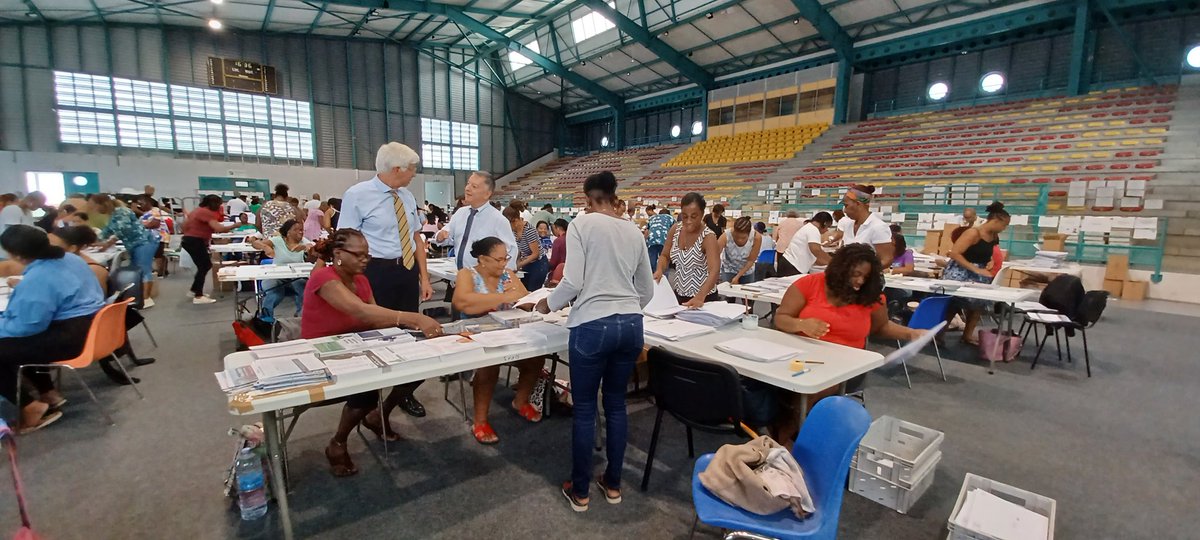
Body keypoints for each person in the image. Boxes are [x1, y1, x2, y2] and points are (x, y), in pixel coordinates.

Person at [533, 170, 654, 512]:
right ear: (614, 196)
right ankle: (613, 485)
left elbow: (572, 281)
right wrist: (625, 308)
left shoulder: (581, 226)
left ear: (587, 199)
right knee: (616, 405)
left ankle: (581, 490)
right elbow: (646, 288)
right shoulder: (632, 230)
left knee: (585, 409)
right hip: (631, 325)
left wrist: (547, 303)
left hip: (591, 326)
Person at [301, 229, 442, 477]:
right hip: (324, 351)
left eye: (368, 255)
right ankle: (338, 442)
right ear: (338, 254)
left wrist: (409, 338)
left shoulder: (362, 280)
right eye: (359, 255)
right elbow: (361, 312)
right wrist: (413, 318)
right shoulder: (324, 278)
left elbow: (376, 318)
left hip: (359, 344)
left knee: (418, 367)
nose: (366, 260)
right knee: (365, 390)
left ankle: (379, 413)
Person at [772, 244, 924, 443]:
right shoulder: (809, 284)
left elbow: (881, 327)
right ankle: (784, 430)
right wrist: (802, 324)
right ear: (840, 269)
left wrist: (911, 333)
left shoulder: (871, 297)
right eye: (855, 274)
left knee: (817, 386)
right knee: (765, 384)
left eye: (865, 277)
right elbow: (781, 318)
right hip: (801, 358)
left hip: (847, 368)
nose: (860, 281)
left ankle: (783, 436)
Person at [338, 142, 435, 418]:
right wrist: (349, 283)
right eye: (412, 169)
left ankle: (403, 393)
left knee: (408, 333)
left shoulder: (405, 196)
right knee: (373, 331)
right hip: (373, 272)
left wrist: (424, 278)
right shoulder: (357, 195)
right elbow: (345, 241)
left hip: (405, 271)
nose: (414, 174)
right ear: (396, 169)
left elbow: (416, 237)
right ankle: (365, 398)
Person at [0, 225, 106, 433]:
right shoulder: (70, 259)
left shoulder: (40, 277)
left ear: (17, 255)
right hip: (90, 327)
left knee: (8, 346)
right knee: (20, 343)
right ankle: (48, 393)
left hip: (72, 337)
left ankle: (31, 407)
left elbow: (26, 327)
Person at [450, 237, 545, 444]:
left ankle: (520, 401)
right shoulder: (467, 274)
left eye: (506, 259)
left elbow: (522, 295)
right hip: (476, 333)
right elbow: (463, 303)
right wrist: (503, 297)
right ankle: (480, 421)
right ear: (483, 259)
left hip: (507, 331)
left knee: (537, 357)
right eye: (499, 260)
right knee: (489, 366)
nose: (504, 264)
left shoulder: (507, 274)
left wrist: (483, 301)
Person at [49, 225, 154, 383]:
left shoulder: (88, 269)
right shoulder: (77, 265)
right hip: (95, 319)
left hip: (90, 323)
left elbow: (92, 304)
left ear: (72, 248)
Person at [946, 202, 1011, 345]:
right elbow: (955, 254)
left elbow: (989, 252)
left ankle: (967, 335)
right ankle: (938, 334)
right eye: (1004, 225)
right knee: (954, 303)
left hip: (980, 272)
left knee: (978, 305)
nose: (1004, 228)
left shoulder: (993, 236)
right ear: (995, 221)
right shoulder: (973, 233)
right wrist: (974, 269)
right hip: (961, 271)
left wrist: (990, 261)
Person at [435, 171, 518, 272]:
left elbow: (511, 252)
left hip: (485, 279)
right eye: (468, 184)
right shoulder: (460, 213)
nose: (467, 188)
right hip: (461, 276)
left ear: (487, 194)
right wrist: (440, 236)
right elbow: (446, 236)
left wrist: (502, 278)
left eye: (474, 186)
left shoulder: (498, 220)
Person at [94, 194, 160, 308]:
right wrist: (94, 240)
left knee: (144, 269)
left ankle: (146, 298)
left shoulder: (122, 212)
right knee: (135, 270)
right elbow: (108, 231)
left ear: (103, 204)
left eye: (96, 206)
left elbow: (122, 229)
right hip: (135, 245)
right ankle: (138, 296)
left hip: (144, 243)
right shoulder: (114, 214)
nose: (95, 210)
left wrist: (107, 243)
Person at [655, 192, 720, 307]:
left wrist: (700, 296)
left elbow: (714, 271)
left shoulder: (708, 237)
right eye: (685, 216)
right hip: (680, 294)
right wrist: (660, 269)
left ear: (702, 214)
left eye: (694, 216)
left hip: (704, 298)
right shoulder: (676, 229)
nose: (688, 221)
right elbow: (665, 255)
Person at [250, 219, 310, 324]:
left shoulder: (304, 241)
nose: (300, 232)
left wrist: (308, 248)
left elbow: (312, 247)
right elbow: (255, 243)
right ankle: (265, 317)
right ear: (288, 232)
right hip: (277, 275)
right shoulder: (277, 240)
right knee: (275, 292)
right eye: (296, 230)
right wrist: (265, 247)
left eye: (301, 229)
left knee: (302, 287)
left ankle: (302, 316)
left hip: (296, 276)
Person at [181, 195, 237, 304]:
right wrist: (235, 225)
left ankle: (194, 290)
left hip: (189, 240)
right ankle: (198, 296)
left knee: (203, 266)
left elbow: (184, 225)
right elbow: (219, 228)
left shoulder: (196, 211)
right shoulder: (206, 213)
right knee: (204, 266)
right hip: (196, 241)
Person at [838, 184, 894, 266]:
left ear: (858, 204)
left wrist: (864, 273)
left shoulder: (878, 227)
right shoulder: (848, 225)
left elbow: (886, 259)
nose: (845, 211)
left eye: (846, 205)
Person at [504, 205, 549, 292]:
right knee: (523, 290)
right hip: (527, 263)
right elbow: (518, 250)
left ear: (515, 221)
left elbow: (535, 254)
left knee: (532, 291)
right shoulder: (514, 231)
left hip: (539, 264)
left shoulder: (529, 230)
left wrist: (519, 265)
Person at [779, 211, 833, 277]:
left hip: (790, 263)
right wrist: (833, 262)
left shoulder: (809, 227)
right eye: (828, 227)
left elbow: (817, 259)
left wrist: (828, 261)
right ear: (825, 223)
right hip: (792, 265)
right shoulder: (813, 229)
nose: (827, 230)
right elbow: (816, 250)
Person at [718, 216, 762, 285]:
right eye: (736, 237)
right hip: (729, 268)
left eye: (743, 238)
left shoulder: (756, 237)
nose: (739, 240)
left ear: (749, 233)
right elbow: (715, 255)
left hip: (747, 270)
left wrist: (738, 276)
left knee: (746, 293)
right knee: (727, 293)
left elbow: (751, 260)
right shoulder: (726, 236)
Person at [547, 218, 568, 285]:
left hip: (559, 273)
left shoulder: (558, 241)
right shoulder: (571, 238)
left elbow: (553, 261)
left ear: (558, 228)